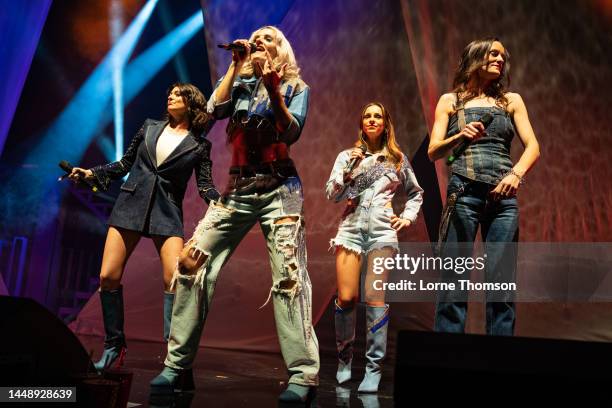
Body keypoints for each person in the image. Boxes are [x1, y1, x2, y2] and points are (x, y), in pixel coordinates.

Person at [150, 26, 318, 403]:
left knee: (289, 278)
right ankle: (176, 365)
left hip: (280, 188)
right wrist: (236, 65)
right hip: (238, 189)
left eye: (269, 38)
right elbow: (211, 111)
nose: (260, 40)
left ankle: (303, 376)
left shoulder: (296, 87)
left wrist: (273, 87)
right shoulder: (240, 82)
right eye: (255, 37)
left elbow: (289, 132)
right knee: (191, 263)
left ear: (281, 50)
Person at [69, 83, 219, 372]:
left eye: (178, 94)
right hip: (130, 205)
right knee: (107, 276)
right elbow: (124, 163)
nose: (170, 96)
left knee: (174, 279)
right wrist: (91, 174)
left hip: (166, 211)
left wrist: (220, 202)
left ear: (191, 103)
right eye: (170, 92)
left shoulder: (200, 145)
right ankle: (114, 345)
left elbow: (205, 185)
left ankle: (174, 353)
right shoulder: (150, 127)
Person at [427, 38, 540, 335]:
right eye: (494, 53)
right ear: (476, 57)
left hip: (502, 199)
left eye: (503, 55)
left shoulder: (511, 101)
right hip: (463, 193)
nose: (500, 60)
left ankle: (497, 362)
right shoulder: (450, 101)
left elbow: (533, 147)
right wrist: (459, 135)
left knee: (501, 283)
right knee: (454, 281)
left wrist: (515, 175)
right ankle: (446, 360)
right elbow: (434, 151)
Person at [326, 102, 423, 393]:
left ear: (385, 123)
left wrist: (406, 217)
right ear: (361, 123)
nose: (371, 120)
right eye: (367, 116)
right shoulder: (347, 156)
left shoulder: (396, 159)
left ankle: (373, 369)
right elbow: (332, 194)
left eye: (377, 116)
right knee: (346, 298)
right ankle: (345, 362)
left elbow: (416, 193)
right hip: (351, 230)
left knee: (375, 298)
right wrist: (348, 173)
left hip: (381, 231)